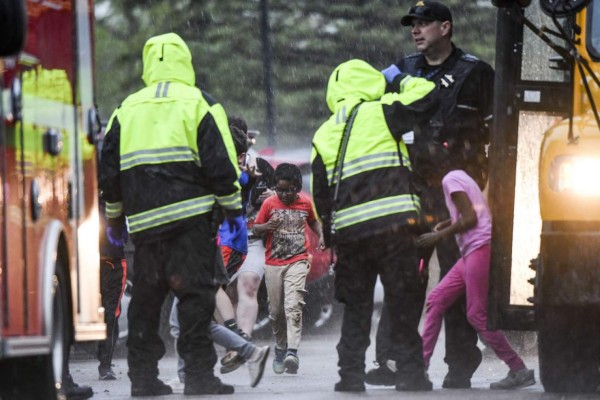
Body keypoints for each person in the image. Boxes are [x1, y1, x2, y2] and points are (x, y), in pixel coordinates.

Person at [98, 32, 242, 397]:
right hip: (192, 225)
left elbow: (109, 174)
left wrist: (115, 223)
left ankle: (143, 380)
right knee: (195, 301)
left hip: (146, 229)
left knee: (146, 302)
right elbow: (222, 164)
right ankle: (198, 378)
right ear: (186, 61)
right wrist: (232, 210)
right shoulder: (201, 103)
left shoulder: (125, 109)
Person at [367, 0, 495, 389]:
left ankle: (460, 365)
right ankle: (393, 361)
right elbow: (370, 108)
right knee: (403, 277)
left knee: (457, 281)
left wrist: (490, 193)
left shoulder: (476, 72)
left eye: (424, 23)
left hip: (457, 194)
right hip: (410, 190)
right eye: (412, 24)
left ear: (446, 27)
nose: (415, 30)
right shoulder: (400, 71)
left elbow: (500, 135)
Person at [310, 59, 438, 392]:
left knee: (356, 308)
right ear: (371, 83)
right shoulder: (385, 110)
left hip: (351, 235)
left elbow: (320, 192)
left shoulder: (324, 131)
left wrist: (329, 231)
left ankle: (350, 376)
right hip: (395, 227)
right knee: (401, 301)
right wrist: (398, 79)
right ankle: (410, 374)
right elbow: (428, 94)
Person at [415, 144, 535, 389]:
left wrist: (438, 236)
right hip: (473, 251)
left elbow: (470, 219)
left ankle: (518, 368)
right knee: (437, 299)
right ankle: (421, 367)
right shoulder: (460, 176)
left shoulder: (450, 180)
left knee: (476, 315)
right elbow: (476, 210)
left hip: (479, 249)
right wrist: (448, 222)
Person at [252, 163, 322, 376]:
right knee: (276, 312)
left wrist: (323, 237)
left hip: (298, 260)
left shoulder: (305, 203)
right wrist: (266, 227)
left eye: (289, 190)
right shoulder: (270, 204)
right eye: (280, 190)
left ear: (297, 187)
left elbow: (314, 222)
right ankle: (281, 347)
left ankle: (293, 351)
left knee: (293, 305)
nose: (284, 194)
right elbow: (255, 229)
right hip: (273, 263)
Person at [169, 297, 270, 388]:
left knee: (188, 323)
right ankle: (251, 352)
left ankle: (185, 377)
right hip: (194, 278)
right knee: (194, 323)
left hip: (191, 277)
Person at [97, 200, 127, 381]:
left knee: (111, 314)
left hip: (114, 264)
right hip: (89, 263)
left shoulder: (117, 197)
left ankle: (105, 365)